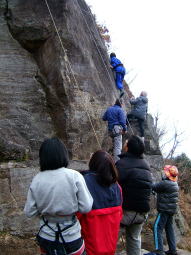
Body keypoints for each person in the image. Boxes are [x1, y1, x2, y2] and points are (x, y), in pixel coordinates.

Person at [24, 137, 93, 255]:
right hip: (71, 236)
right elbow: (86, 207)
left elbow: (29, 212)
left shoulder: (37, 179)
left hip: (46, 236)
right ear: (63, 154)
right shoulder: (74, 176)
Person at [78, 150, 122, 255]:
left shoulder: (83, 182)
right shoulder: (117, 187)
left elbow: (76, 216)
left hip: (89, 247)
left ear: (92, 163)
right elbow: (119, 216)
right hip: (110, 247)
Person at [116, 135, 153, 255]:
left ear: (128, 148)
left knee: (111, 237)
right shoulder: (146, 165)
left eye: (126, 143)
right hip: (142, 212)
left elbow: (114, 187)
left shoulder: (121, 164)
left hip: (126, 212)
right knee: (134, 238)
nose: (124, 144)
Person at [151, 165, 179, 255]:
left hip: (164, 210)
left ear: (168, 175)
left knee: (157, 227)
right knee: (169, 228)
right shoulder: (175, 184)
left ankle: (159, 250)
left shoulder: (165, 183)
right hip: (171, 210)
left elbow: (153, 186)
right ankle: (172, 250)